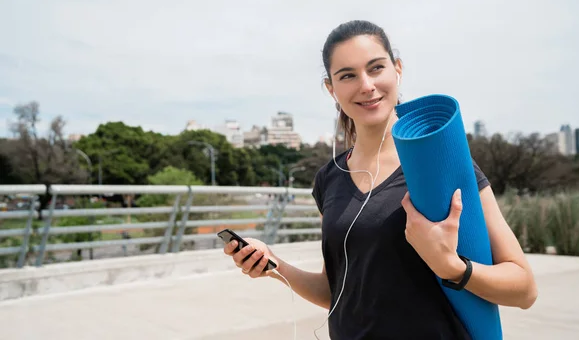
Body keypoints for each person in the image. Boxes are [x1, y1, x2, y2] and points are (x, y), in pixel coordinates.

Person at [223, 20, 538, 339]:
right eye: (347, 75)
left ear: (397, 69)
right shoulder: (329, 179)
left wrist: (453, 268)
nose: (366, 85)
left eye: (376, 68)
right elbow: (336, 292)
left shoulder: (440, 163)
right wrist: (274, 265)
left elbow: (524, 289)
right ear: (331, 89)